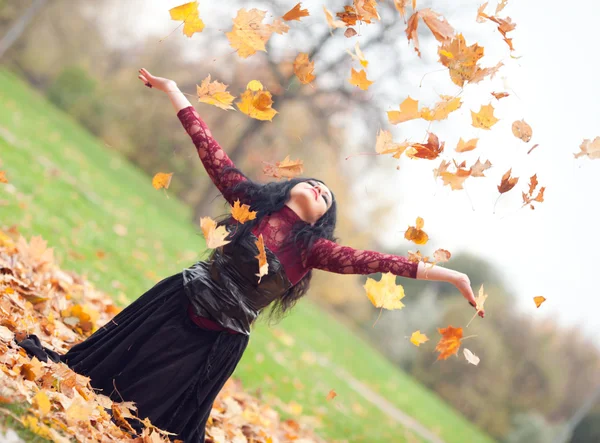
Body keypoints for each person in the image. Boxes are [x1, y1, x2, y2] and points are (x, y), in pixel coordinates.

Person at [16, 68, 484, 442]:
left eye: (327, 197)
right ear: (290, 187)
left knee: (146, 414)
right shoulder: (247, 200)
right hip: (178, 301)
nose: (320, 188)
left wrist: (452, 276)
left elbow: (382, 262)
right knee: (101, 375)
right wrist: (176, 91)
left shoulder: (314, 250)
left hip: (217, 340)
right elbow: (208, 148)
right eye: (315, 182)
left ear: (322, 220)